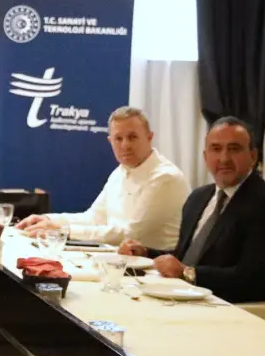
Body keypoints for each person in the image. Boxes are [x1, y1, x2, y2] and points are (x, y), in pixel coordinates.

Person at [117, 117, 265, 304]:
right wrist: (146, 253)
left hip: (224, 307)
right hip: (180, 298)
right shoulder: (198, 197)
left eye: (234, 149)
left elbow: (257, 280)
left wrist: (188, 273)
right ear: (205, 156)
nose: (224, 159)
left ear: (253, 156)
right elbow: (186, 257)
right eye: (216, 149)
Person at [17, 106, 188, 249]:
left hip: (154, 271)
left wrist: (64, 231)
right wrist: (49, 219)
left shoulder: (165, 177)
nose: (125, 145)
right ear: (110, 141)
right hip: (119, 263)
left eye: (132, 137)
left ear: (150, 138)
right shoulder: (120, 172)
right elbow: (94, 218)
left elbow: (129, 233)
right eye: (118, 138)